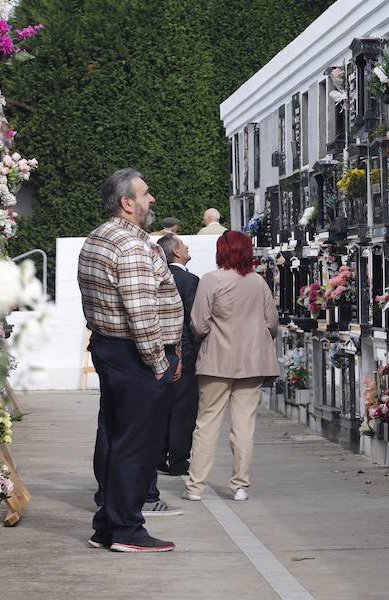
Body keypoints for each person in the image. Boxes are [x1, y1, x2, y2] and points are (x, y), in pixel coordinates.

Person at [77, 167, 184, 553]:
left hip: (110, 347)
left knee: (116, 436)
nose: (151, 199)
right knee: (136, 444)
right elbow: (142, 314)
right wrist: (161, 362)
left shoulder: (98, 237)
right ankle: (127, 530)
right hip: (136, 355)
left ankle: (107, 526)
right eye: (145, 193)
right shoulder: (132, 246)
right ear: (127, 203)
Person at [182, 231, 279, 503]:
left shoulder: (211, 281)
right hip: (252, 362)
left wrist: (209, 336)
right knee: (244, 425)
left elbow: (198, 323)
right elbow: (271, 322)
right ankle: (240, 485)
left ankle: (196, 486)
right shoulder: (258, 283)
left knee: (207, 423)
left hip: (216, 361)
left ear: (221, 251)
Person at [155, 234, 200, 476]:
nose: (187, 247)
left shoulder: (155, 276)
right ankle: (179, 459)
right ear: (176, 252)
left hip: (155, 347)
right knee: (183, 407)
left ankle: (159, 455)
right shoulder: (189, 280)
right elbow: (194, 319)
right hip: (183, 348)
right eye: (183, 245)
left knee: (161, 404)